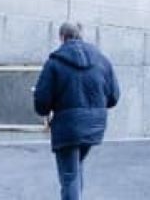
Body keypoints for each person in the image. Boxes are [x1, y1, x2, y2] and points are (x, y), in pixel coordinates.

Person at [33, 22, 119, 200]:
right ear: (81, 35)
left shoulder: (54, 63)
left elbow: (42, 103)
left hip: (68, 128)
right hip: (94, 126)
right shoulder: (102, 60)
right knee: (75, 169)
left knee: (69, 175)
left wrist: (46, 106)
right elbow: (114, 97)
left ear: (62, 37)